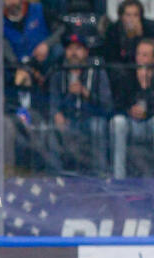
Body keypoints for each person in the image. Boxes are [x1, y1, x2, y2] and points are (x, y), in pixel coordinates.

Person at [48, 32, 113, 175]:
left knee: (98, 126)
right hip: (69, 118)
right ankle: (56, 175)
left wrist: (86, 93)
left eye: (78, 49)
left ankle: (100, 173)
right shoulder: (58, 73)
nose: (73, 53)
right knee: (50, 127)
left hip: (91, 117)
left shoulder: (97, 72)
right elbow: (52, 102)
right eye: (70, 49)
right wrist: (57, 114)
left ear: (86, 52)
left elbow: (107, 105)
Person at [110, 38, 154, 178]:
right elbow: (118, 104)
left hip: (150, 121)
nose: (141, 58)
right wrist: (130, 110)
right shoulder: (126, 75)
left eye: (145, 55)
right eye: (139, 54)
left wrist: (145, 86)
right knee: (118, 122)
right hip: (131, 122)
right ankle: (119, 176)